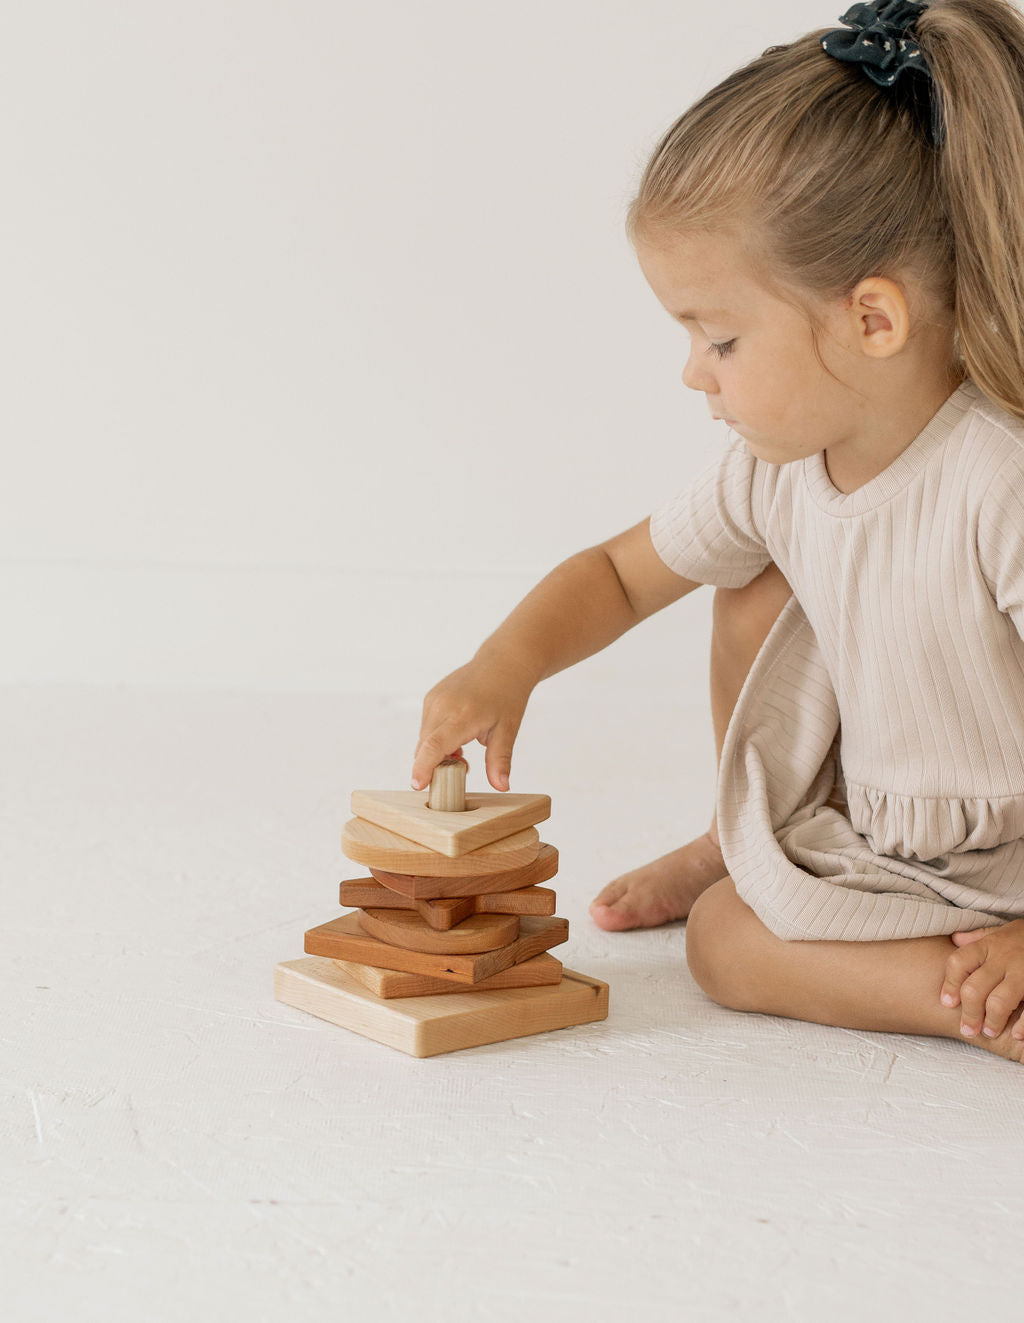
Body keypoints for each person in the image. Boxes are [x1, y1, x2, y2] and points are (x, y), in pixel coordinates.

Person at [410, 0, 1024, 1065]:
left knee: (729, 938)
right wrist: (502, 666)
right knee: (723, 938)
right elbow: (615, 573)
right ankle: (780, 869)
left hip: (1012, 864)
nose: (693, 373)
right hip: (886, 849)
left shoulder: (995, 475)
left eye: (721, 338)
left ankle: (981, 988)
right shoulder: (775, 470)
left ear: (872, 321)